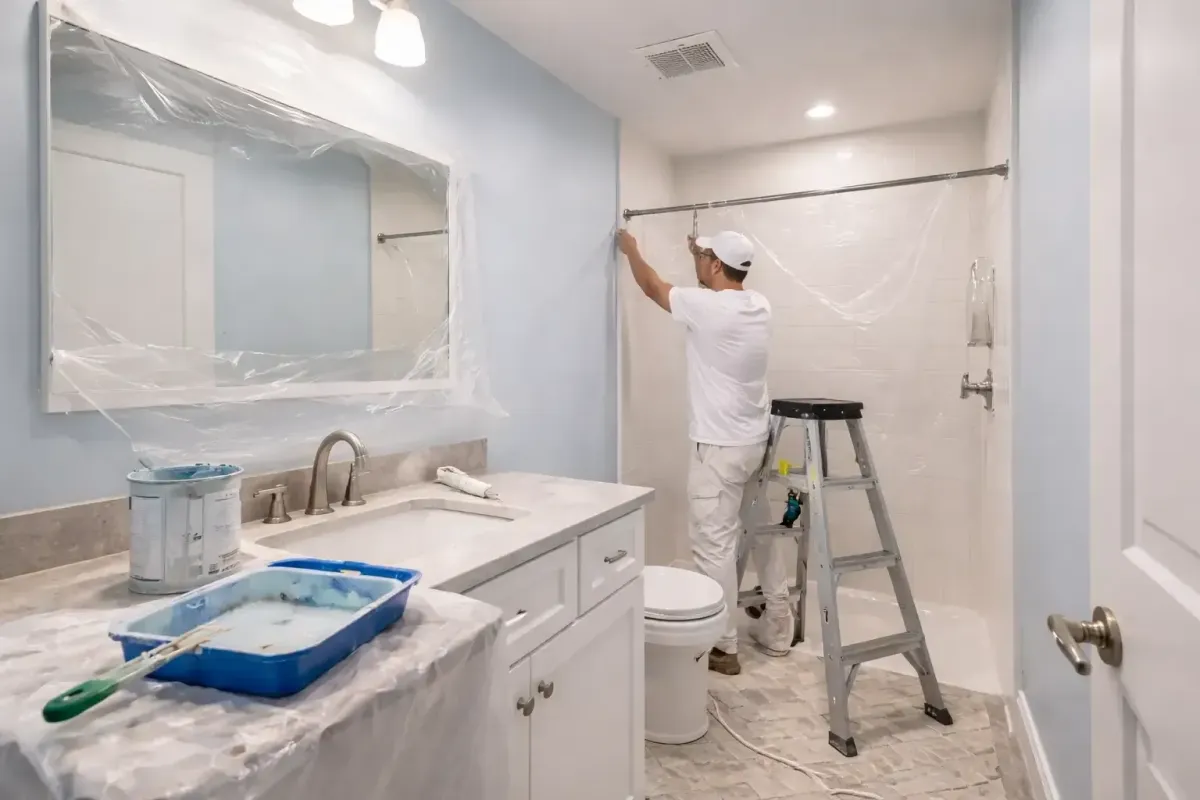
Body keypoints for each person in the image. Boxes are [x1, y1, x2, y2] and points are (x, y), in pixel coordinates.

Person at [617, 227, 794, 675]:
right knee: (760, 534)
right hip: (754, 445)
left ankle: (723, 646)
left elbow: (652, 286)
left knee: (714, 547)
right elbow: (712, 282)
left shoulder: (707, 307)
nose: (698, 262)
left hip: (718, 451)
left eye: (703, 258)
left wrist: (631, 248)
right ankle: (778, 628)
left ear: (716, 265)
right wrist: (699, 249)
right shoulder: (759, 306)